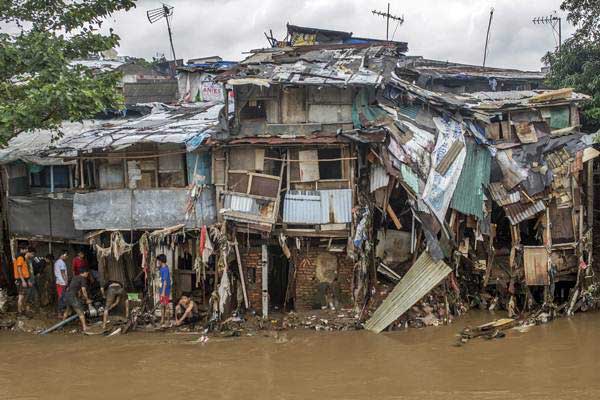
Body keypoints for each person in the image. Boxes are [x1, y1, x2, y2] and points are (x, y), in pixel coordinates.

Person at [62, 268, 92, 332]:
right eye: (87, 273)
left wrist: (79, 296)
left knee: (67, 310)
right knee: (80, 312)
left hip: (67, 295)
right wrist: (87, 299)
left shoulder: (75, 277)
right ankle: (84, 327)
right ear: (84, 273)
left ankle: (62, 325)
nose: (87, 275)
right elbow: (84, 290)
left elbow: (75, 288)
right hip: (72, 296)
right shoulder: (83, 279)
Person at [13, 247, 35, 316]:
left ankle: (22, 310)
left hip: (24, 280)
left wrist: (27, 280)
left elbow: (25, 271)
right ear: (22, 249)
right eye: (25, 249)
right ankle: (19, 312)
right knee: (21, 297)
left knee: (23, 296)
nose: (26, 250)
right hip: (21, 280)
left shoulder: (22, 258)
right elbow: (19, 270)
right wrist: (23, 280)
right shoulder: (20, 258)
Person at [157, 254, 171, 328]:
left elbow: (165, 281)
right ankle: (162, 320)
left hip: (165, 289)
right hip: (162, 288)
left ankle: (168, 321)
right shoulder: (162, 268)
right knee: (162, 305)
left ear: (161, 260)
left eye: (158, 260)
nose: (157, 261)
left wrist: (163, 292)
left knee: (166, 305)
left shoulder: (165, 269)